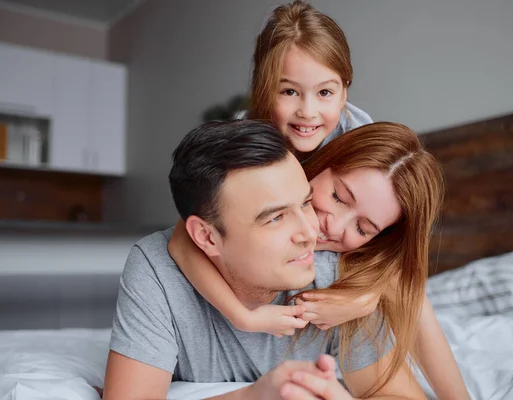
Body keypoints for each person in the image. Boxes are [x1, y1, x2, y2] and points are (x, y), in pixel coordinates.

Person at [169, 1, 470, 398]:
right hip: (256, 266)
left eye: (326, 92)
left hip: (347, 280)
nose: (308, 112)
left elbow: (400, 269)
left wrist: (363, 298)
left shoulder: (358, 142)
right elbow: (184, 238)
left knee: (410, 293)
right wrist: (242, 316)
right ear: (263, 87)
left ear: (345, 90)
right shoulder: (246, 141)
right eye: (289, 91)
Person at [102, 120, 427, 400]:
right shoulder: (157, 271)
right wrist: (254, 396)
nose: (311, 232)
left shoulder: (340, 280)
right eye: (275, 218)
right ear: (206, 237)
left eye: (305, 203)